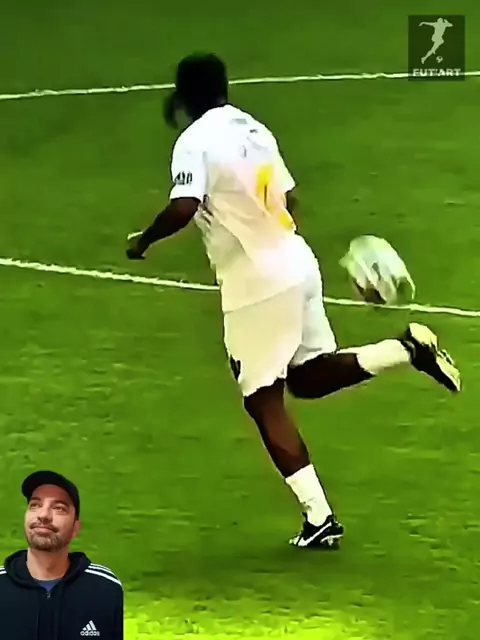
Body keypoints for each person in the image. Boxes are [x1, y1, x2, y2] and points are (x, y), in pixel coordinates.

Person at [126, 53, 461, 548]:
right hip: (296, 260)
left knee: (263, 401)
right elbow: (290, 200)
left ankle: (318, 517)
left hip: (255, 280)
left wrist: (144, 241)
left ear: (183, 97)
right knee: (306, 376)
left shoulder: (193, 141)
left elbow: (184, 206)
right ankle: (405, 350)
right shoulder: (255, 129)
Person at [0, 470, 123, 638]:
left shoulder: (105, 588)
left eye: (59, 508)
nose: (43, 515)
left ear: (75, 528)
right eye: (35, 505)